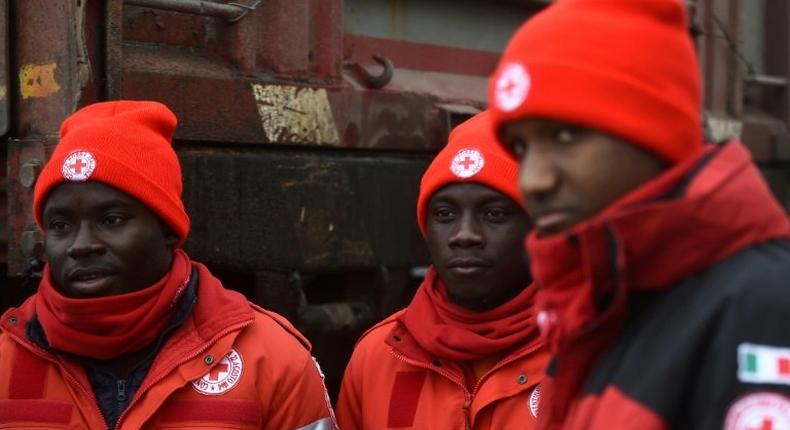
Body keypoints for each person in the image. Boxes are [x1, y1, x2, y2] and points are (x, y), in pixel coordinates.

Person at [487, 0, 790, 429]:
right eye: (521, 147)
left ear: (656, 136)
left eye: (566, 135)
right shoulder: (598, 305)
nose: (533, 180)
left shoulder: (762, 310)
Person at [0, 101, 337, 430]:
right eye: (60, 226)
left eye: (111, 219)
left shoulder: (271, 361)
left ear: (167, 229)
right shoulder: (5, 362)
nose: (82, 245)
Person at [336, 111, 548, 429]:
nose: (464, 235)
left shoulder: (595, 355)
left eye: (494, 213)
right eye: (445, 213)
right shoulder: (379, 356)